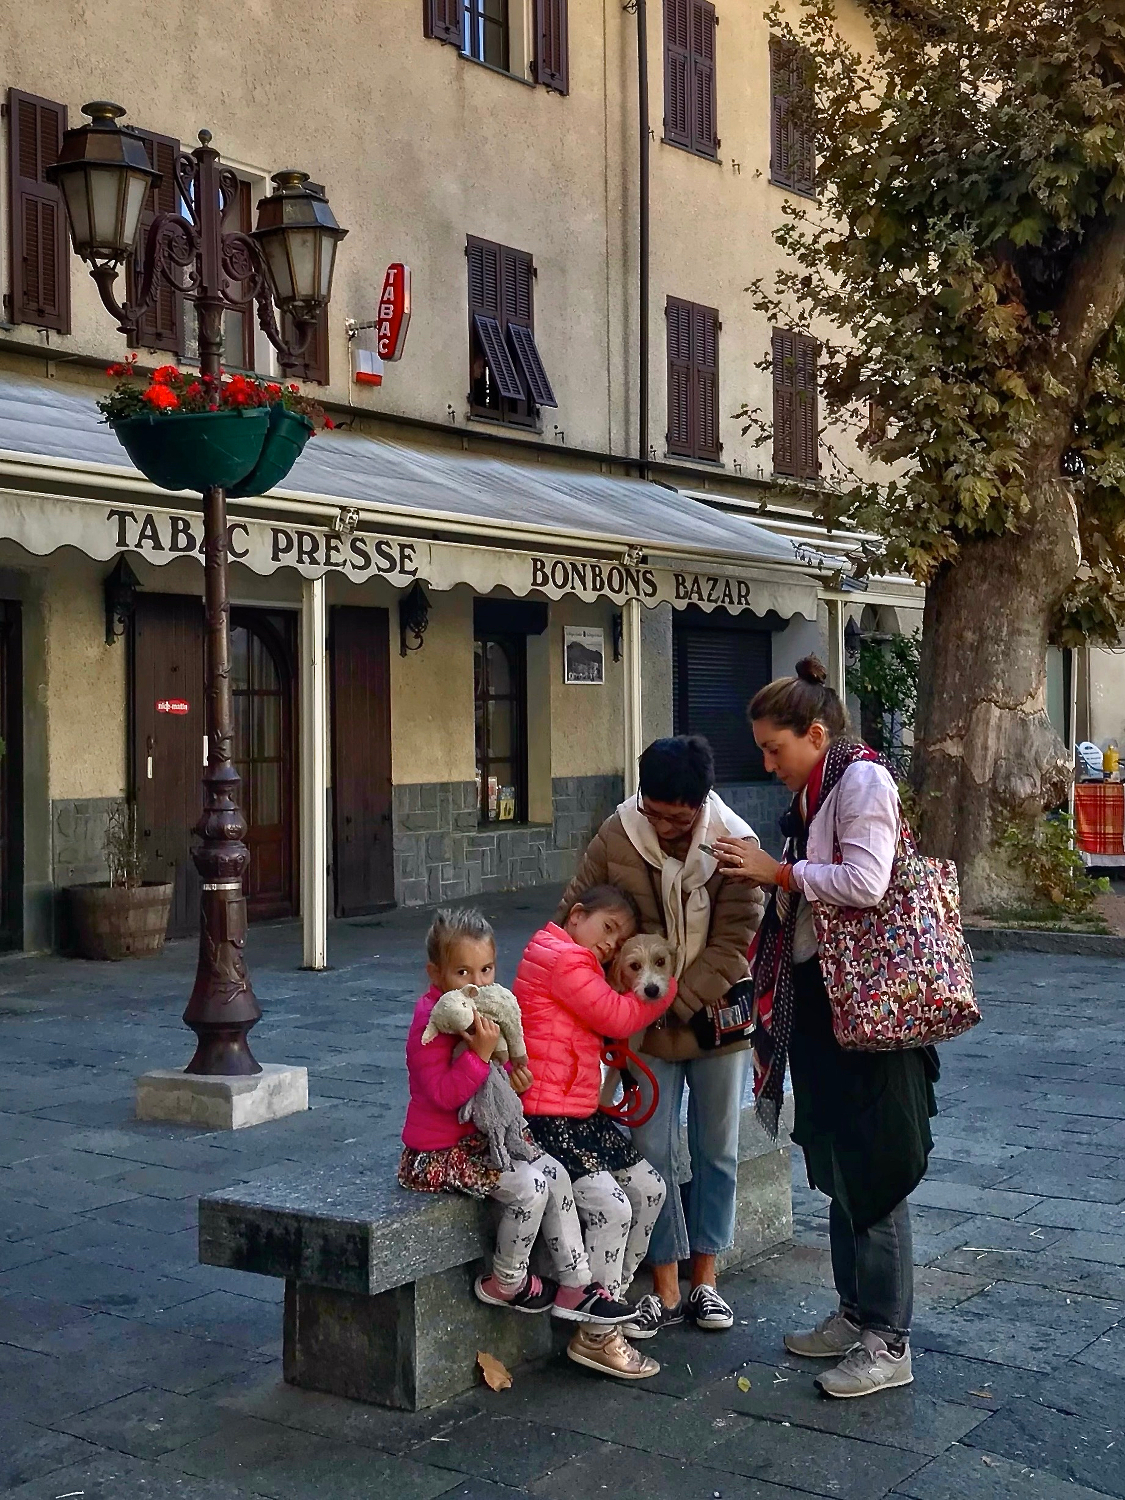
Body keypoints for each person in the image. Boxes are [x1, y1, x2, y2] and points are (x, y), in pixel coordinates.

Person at [713, 656, 939, 1400]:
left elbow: (865, 883)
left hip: (868, 1010)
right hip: (826, 1000)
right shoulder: (818, 790)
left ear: (815, 734)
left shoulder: (862, 781)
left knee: (874, 1169)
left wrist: (775, 874)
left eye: (774, 749)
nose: (768, 765)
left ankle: (888, 1339)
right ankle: (855, 1314)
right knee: (841, 1161)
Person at [557, 737, 764, 1339]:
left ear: (701, 806)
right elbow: (576, 911)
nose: (667, 828)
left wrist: (678, 998)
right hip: (639, 1021)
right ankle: (665, 1282)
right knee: (649, 1152)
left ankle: (708, 1279)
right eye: (656, 813)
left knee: (717, 1149)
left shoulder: (735, 844)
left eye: (680, 817)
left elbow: (733, 941)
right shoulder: (618, 835)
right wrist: (553, 979)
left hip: (717, 1019)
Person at [399, 907, 634, 1327]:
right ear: (436, 974)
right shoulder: (430, 1025)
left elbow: (491, 1085)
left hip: (483, 1142)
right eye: (463, 973)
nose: (478, 985)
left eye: (486, 970)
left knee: (554, 1171)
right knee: (531, 1185)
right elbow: (442, 1095)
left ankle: (575, 1285)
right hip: (437, 1152)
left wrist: (511, 1072)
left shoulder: (490, 1013)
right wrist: (479, 1055)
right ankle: (505, 1280)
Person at [515, 884, 676, 1380]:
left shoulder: (575, 959)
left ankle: (613, 1305)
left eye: (619, 937)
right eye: (608, 929)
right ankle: (598, 1337)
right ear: (577, 914)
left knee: (650, 1188)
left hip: (578, 1112)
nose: (610, 943)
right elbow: (618, 1015)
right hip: (545, 1118)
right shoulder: (563, 959)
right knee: (613, 1206)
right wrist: (667, 984)